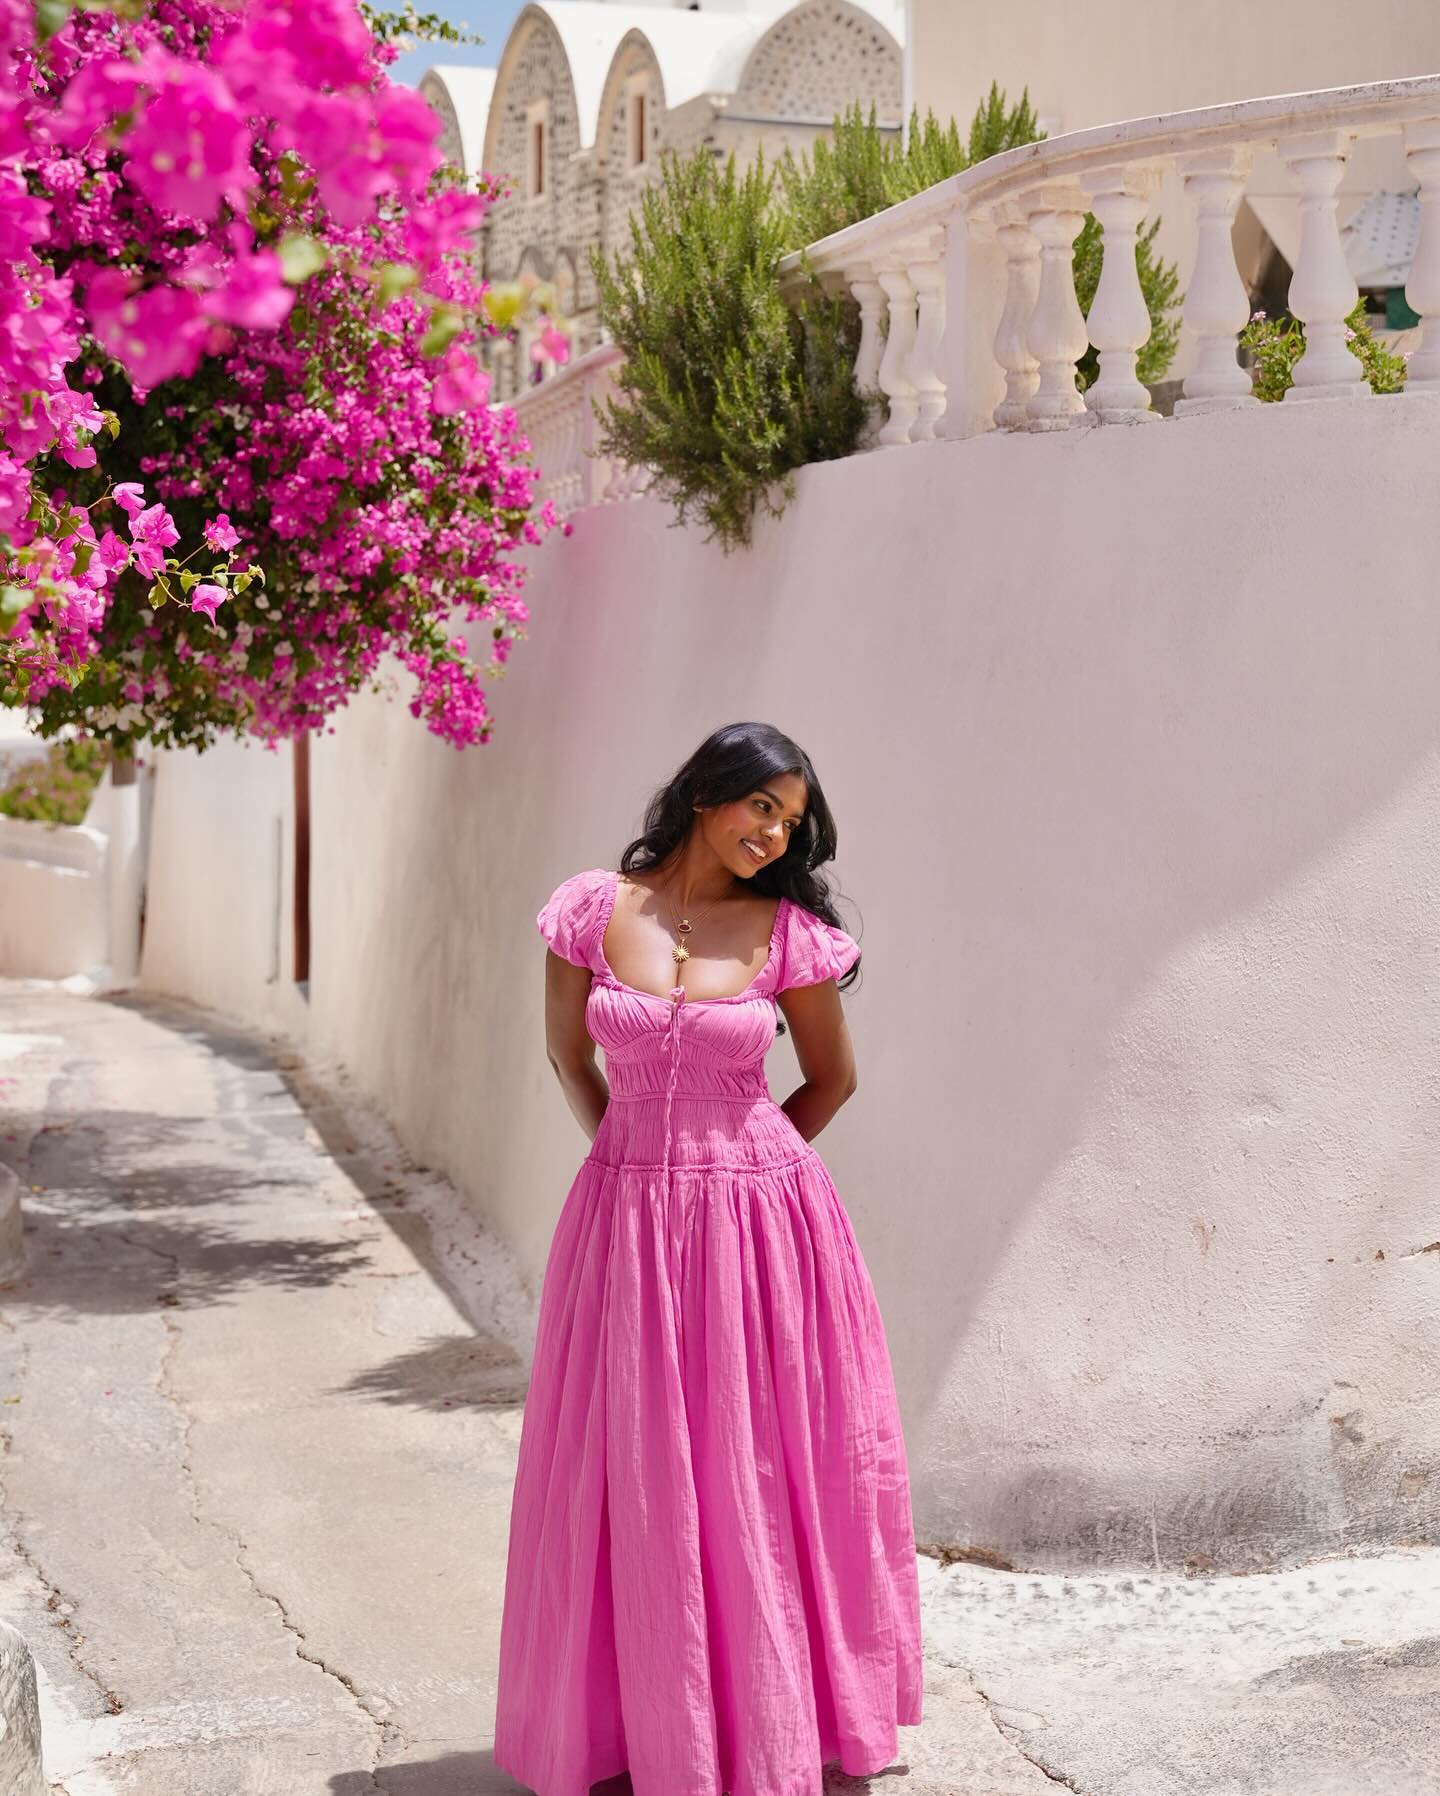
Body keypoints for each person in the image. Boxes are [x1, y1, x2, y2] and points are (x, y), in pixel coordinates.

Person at [493, 720, 923, 1796]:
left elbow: (831, 1080)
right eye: (762, 806)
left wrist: (745, 1172)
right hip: (625, 1214)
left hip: (765, 1225)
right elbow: (566, 1052)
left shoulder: (789, 935)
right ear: (704, 794)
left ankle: (776, 1723)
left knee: (760, 1463)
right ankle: (643, 1724)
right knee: (632, 1460)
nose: (775, 834)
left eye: (791, 820)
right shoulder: (590, 908)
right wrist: (630, 1160)